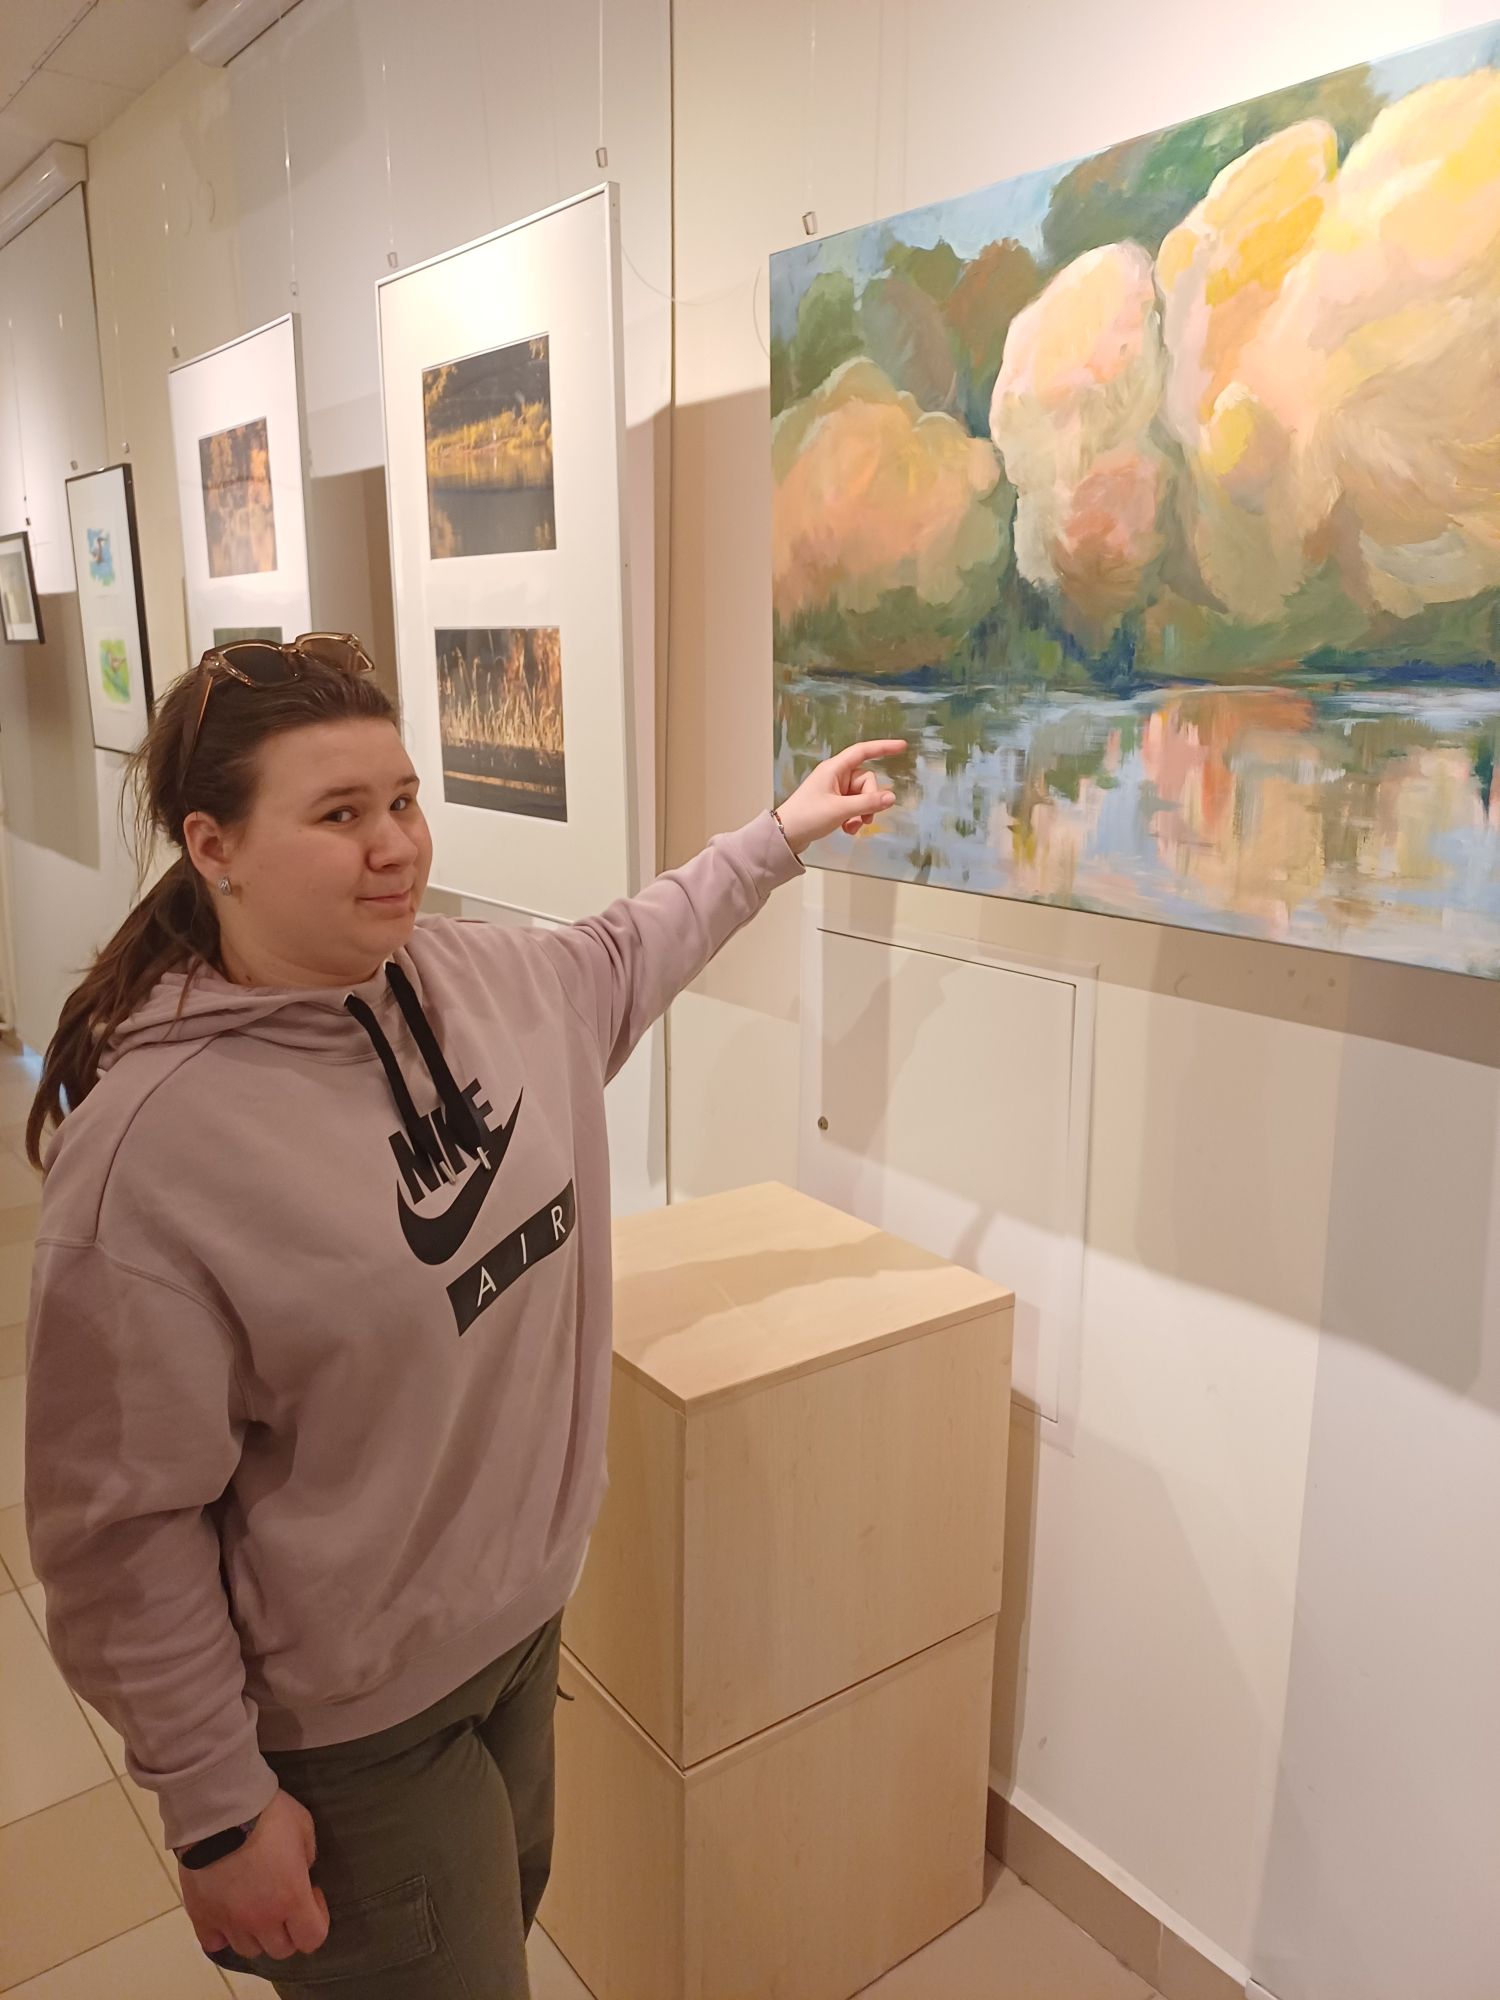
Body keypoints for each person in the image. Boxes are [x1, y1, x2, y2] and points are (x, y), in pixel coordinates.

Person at [21, 632, 903, 2000]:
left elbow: (630, 947)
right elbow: (115, 1533)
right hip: (351, 1726)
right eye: (338, 815)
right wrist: (215, 1809)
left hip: (521, 1635)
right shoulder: (149, 1156)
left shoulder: (487, 985)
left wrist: (779, 837)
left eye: (402, 800)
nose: (395, 846)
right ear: (213, 847)